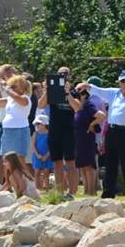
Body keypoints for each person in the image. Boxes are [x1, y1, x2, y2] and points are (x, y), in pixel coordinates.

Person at [43, 65, 75, 197]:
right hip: (54, 129)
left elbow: (77, 107)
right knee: (56, 162)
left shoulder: (74, 92)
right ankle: (60, 192)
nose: (63, 76)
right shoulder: (52, 92)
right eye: (60, 74)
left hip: (69, 130)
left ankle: (72, 192)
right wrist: (47, 90)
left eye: (65, 74)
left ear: (70, 77)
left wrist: (67, 93)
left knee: (70, 162)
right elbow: (40, 105)